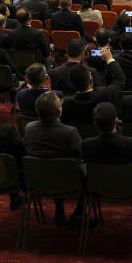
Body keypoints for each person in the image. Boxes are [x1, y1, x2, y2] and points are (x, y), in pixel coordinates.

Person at [22, 91, 83, 226]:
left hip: (37, 180)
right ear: (59, 112)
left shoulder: (29, 128)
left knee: (54, 167)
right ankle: (78, 213)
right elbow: (81, 153)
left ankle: (60, 207)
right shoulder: (70, 132)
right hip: (69, 182)